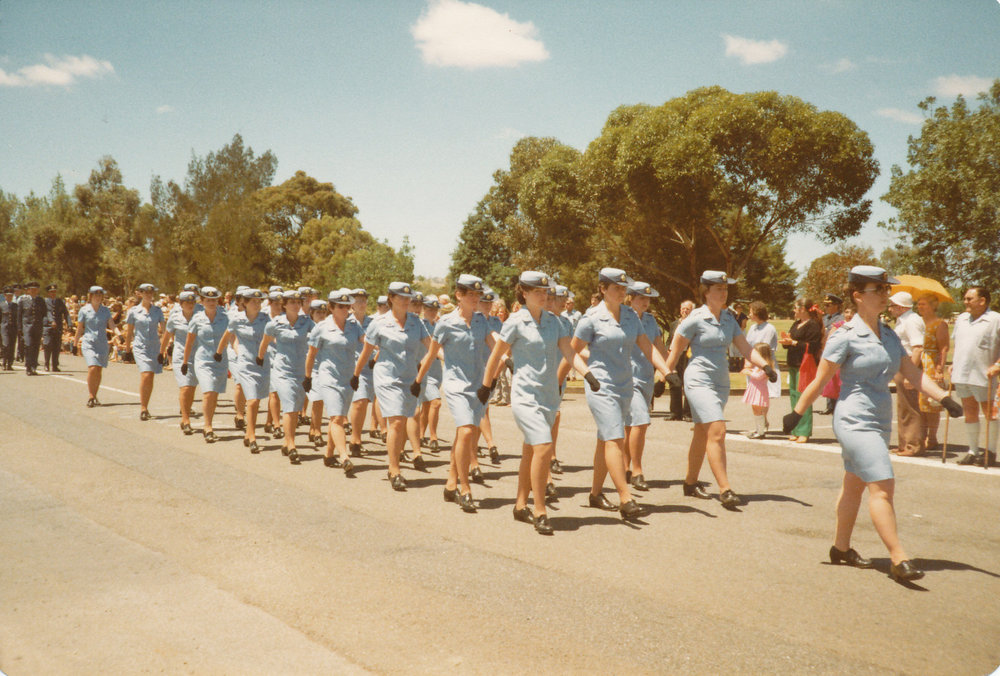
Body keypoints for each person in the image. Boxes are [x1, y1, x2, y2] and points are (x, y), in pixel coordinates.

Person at [784, 265, 963, 582]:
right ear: (857, 295)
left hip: (879, 419)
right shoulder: (844, 335)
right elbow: (820, 379)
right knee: (882, 487)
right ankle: (899, 558)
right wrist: (797, 413)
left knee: (853, 486)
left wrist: (943, 397)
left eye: (886, 290)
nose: (885, 295)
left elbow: (910, 372)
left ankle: (840, 549)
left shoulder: (890, 334)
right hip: (853, 419)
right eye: (878, 290)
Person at [482, 271, 593, 534]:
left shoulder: (555, 322)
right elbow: (497, 355)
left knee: (531, 451)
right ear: (524, 293)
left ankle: (520, 505)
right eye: (538, 292)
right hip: (524, 396)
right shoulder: (515, 322)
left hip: (548, 396)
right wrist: (486, 385)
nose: (544, 296)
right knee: (544, 446)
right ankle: (539, 509)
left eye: (546, 292)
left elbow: (568, 350)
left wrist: (588, 374)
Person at [665, 271, 778, 509]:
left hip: (720, 382)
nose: (723, 293)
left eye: (726, 289)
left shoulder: (728, 319)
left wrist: (765, 366)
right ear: (706, 292)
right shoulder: (695, 318)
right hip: (698, 379)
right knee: (717, 430)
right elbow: (676, 349)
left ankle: (690, 482)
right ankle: (725, 489)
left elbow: (746, 348)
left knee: (702, 431)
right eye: (718, 289)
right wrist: (666, 374)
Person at [572, 268, 675, 521]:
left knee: (605, 439)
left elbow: (646, 346)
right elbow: (571, 351)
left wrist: (666, 372)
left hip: (624, 385)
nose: (621, 291)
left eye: (623, 288)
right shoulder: (590, 318)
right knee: (615, 438)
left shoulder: (631, 316)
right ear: (602, 289)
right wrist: (583, 375)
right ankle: (625, 497)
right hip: (600, 386)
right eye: (616, 287)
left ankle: (596, 494)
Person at [414, 274, 492, 512]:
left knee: (466, 435)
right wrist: (418, 380)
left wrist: (510, 359)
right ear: (459, 296)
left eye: (478, 295)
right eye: (470, 294)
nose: (475, 299)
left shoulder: (481, 321)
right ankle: (464, 488)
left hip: (477, 386)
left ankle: (450, 482)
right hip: (456, 385)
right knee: (466, 430)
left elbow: (495, 343)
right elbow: (432, 352)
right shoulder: (446, 322)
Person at [353, 282, 430, 491]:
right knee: (396, 421)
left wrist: (448, 361)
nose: (406, 301)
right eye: (401, 297)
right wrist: (356, 374)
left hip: (410, 379)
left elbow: (432, 347)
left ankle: (396, 458)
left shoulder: (416, 323)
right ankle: (394, 469)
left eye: (408, 298)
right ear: (391, 299)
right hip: (387, 378)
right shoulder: (379, 322)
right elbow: (367, 351)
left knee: (405, 419)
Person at [305, 289, 362, 475]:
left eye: (347, 306)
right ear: (331, 307)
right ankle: (344, 456)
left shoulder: (354, 326)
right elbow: (312, 355)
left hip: (348, 378)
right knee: (337, 418)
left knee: (336, 418)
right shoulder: (321, 327)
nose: (345, 310)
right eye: (340, 306)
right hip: (328, 377)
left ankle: (329, 454)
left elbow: (367, 343)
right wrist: (307, 377)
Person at [258, 289, 313, 463]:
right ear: (284, 305)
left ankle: (286, 442)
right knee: (289, 406)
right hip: (282, 371)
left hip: (300, 371)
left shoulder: (307, 322)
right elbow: (265, 342)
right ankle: (291, 445)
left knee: (295, 408)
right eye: (292, 302)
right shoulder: (275, 323)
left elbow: (320, 334)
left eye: (299, 303)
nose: (296, 305)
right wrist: (260, 357)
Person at [623, 281, 667, 491]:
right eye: (641, 298)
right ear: (630, 297)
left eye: (647, 299)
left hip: (646, 378)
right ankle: (637, 470)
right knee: (640, 422)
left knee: (631, 426)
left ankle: (624, 466)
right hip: (626, 378)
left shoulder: (650, 321)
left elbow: (659, 348)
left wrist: (664, 375)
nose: (645, 302)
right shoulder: (621, 318)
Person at [950, 286, 1000, 465]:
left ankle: (991, 452)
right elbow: (959, 344)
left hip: (983, 375)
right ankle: (973, 450)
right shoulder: (962, 319)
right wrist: (954, 363)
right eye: (965, 298)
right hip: (962, 374)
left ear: (982, 301)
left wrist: (998, 365)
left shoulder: (995, 319)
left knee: (990, 414)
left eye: (969, 299)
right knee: (969, 412)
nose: (965, 302)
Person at [221, 288, 270, 453]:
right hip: (245, 364)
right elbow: (228, 336)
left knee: (257, 400)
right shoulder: (236, 319)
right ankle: (252, 435)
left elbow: (273, 337)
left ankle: (248, 435)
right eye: (254, 301)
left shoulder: (265, 319)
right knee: (253, 400)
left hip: (262, 364)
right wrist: (220, 352)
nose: (257, 304)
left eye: (259, 301)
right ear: (245, 303)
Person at [181, 286, 230, 443]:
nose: (211, 303)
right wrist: (184, 361)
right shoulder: (197, 318)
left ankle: (208, 421)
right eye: (208, 300)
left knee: (214, 394)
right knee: (208, 391)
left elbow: (233, 337)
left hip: (220, 360)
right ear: (201, 301)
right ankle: (208, 427)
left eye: (214, 300)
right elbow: (189, 342)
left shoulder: (225, 317)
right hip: (203, 361)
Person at [779, 298, 824, 443]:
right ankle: (795, 429)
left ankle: (804, 430)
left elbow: (812, 346)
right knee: (793, 395)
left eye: (795, 308)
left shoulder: (813, 326)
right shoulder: (796, 324)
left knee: (803, 395)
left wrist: (793, 342)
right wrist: (787, 342)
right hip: (793, 363)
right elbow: (792, 342)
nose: (793, 310)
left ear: (803, 309)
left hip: (805, 365)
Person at [887, 291, 926, 456]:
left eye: (893, 305)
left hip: (909, 362)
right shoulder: (903, 320)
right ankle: (904, 443)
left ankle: (913, 444)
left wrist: (912, 372)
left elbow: (917, 347)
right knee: (903, 406)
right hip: (901, 362)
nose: (890, 308)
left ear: (901, 307)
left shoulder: (911, 320)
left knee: (910, 407)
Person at [160, 290, 200, 435]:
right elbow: (167, 335)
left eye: (192, 302)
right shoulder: (175, 318)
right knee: (185, 387)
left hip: (197, 356)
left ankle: (185, 414)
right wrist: (161, 352)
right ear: (181, 304)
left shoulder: (199, 317)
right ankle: (186, 419)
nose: (190, 305)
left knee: (192, 388)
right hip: (180, 357)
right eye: (187, 302)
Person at [124, 283, 166, 420]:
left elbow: (164, 331)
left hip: (154, 347)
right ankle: (143, 408)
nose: (149, 295)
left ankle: (145, 405)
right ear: (140, 294)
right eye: (146, 292)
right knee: (146, 374)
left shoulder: (157, 311)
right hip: (140, 347)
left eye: (151, 293)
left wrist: (164, 349)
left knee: (150, 376)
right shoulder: (133, 311)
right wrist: (127, 350)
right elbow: (129, 332)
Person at [914, 294, 949, 452]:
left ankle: (932, 437)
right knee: (919, 403)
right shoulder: (917, 323)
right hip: (917, 364)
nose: (920, 307)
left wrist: (940, 368)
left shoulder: (939, 324)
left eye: (924, 304)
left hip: (931, 364)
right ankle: (921, 435)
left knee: (931, 404)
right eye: (919, 304)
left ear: (934, 306)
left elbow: (943, 348)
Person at [74, 286, 116, 407]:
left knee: (98, 370)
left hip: (102, 343)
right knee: (92, 367)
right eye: (95, 295)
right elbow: (80, 328)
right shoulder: (84, 310)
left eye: (100, 295)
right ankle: (91, 395)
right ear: (90, 296)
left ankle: (95, 394)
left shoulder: (106, 311)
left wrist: (118, 334)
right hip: (89, 343)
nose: (98, 297)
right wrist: (75, 344)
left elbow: (112, 324)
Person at [347, 288, 376, 457]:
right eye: (358, 301)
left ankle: (356, 437)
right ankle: (354, 439)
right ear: (351, 304)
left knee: (363, 403)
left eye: (364, 301)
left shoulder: (372, 322)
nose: (362, 304)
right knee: (359, 401)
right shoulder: (347, 321)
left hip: (368, 369)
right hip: (350, 367)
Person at [744, 300, 780, 431]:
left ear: (758, 312)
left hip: (764, 364)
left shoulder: (769, 328)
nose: (749, 314)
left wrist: (760, 365)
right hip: (753, 363)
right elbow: (747, 346)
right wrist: (747, 363)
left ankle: (763, 421)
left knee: (763, 395)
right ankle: (760, 423)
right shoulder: (753, 328)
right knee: (754, 395)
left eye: (751, 311)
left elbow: (764, 349)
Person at [417, 295, 444, 450]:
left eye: (435, 309)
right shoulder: (421, 325)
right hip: (423, 368)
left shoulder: (439, 325)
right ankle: (433, 436)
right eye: (430, 309)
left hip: (435, 370)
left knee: (427, 405)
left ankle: (420, 435)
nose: (433, 312)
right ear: (424, 309)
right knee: (436, 402)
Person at [667, 300, 695, 421]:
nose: (684, 311)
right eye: (683, 308)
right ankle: (675, 413)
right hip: (674, 356)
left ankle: (687, 413)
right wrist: (667, 350)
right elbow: (669, 339)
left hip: (687, 356)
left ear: (692, 311)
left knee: (688, 384)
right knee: (674, 383)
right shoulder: (674, 324)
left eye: (687, 309)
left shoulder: (694, 324)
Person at [819, 294, 845, 414]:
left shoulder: (841, 318)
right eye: (825, 305)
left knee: (836, 379)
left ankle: (838, 405)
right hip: (825, 350)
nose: (826, 307)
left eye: (828, 305)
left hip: (836, 352)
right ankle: (830, 406)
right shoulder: (824, 318)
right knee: (827, 379)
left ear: (836, 306)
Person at [742, 343, 774, 439]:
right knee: (755, 410)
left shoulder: (766, 367)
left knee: (758, 411)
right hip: (754, 389)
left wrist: (748, 372)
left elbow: (758, 376)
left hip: (759, 391)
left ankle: (761, 431)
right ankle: (758, 428)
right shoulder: (757, 366)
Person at [17, 281, 46, 375]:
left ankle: (33, 366)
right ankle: (28, 366)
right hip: (27, 327)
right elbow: (19, 315)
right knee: (28, 345)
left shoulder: (41, 300)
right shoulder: (23, 300)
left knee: (36, 346)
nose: (34, 291)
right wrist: (19, 328)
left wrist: (44, 324)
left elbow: (44, 314)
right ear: (28, 290)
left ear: (38, 291)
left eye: (36, 290)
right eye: (32, 290)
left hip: (37, 326)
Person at [42, 284, 72, 371]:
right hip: (48, 326)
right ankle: (46, 364)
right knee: (47, 345)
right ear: (48, 293)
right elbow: (47, 313)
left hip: (58, 327)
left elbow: (66, 313)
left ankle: (55, 365)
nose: (53, 293)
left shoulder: (60, 301)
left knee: (56, 346)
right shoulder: (45, 301)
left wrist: (69, 323)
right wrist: (51, 321)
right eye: (51, 292)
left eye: (54, 292)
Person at [1, 286, 17, 370]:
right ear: (5, 295)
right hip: (4, 328)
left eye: (11, 295)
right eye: (8, 295)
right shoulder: (1, 305)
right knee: (6, 345)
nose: (9, 297)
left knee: (12, 346)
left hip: (13, 328)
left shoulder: (15, 306)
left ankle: (10, 364)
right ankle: (4, 362)